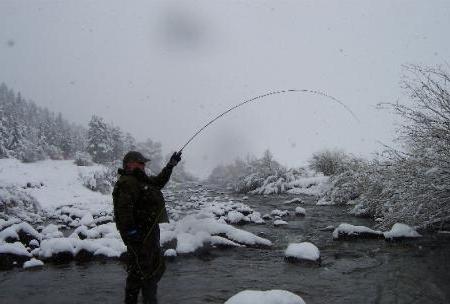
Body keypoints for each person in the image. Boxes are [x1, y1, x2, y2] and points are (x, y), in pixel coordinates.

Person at [113, 150, 182, 304]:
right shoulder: (128, 182)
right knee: (142, 272)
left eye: (144, 163)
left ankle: (145, 300)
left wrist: (171, 165)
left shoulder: (140, 179)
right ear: (129, 164)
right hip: (139, 236)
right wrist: (132, 233)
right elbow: (124, 210)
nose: (144, 166)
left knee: (149, 269)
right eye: (141, 163)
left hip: (149, 234)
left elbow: (159, 182)